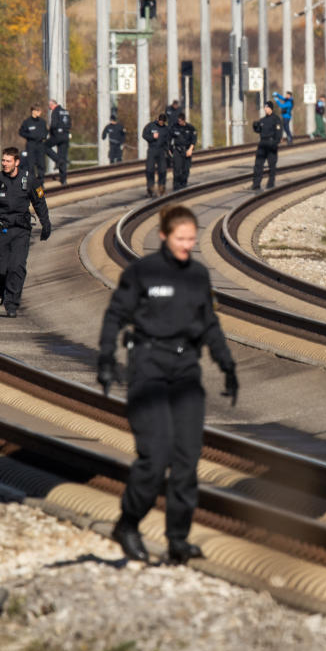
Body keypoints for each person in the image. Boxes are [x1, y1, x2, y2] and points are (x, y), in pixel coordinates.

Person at [97, 205, 240, 564]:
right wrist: (104, 357)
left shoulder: (197, 276)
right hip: (148, 368)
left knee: (187, 460)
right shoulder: (142, 273)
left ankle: (178, 539)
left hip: (186, 371)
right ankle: (128, 524)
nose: (187, 245)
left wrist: (227, 365)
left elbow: (209, 324)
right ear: (164, 236)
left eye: (192, 239)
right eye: (181, 238)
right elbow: (115, 314)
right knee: (156, 455)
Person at [0, 147, 51, 318]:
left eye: (8, 161)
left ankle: (12, 304)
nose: (5, 164)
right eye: (3, 160)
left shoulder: (29, 180)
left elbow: (39, 202)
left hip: (21, 230)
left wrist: (46, 224)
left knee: (16, 267)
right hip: (1, 230)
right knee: (0, 269)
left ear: (17, 162)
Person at [251, 101, 283, 191]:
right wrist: (255, 126)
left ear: (271, 108)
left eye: (267, 107)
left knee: (272, 164)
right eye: (265, 107)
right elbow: (258, 131)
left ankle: (270, 183)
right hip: (262, 144)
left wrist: (275, 142)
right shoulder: (263, 120)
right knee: (258, 164)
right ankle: (256, 184)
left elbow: (279, 132)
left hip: (271, 143)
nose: (265, 109)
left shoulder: (276, 119)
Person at [142, 112, 170, 198]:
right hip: (152, 150)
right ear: (158, 119)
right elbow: (144, 135)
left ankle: (162, 188)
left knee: (162, 170)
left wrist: (168, 151)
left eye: (163, 122)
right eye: (160, 121)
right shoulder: (150, 126)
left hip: (161, 151)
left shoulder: (166, 128)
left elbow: (167, 141)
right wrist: (152, 137)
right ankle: (150, 189)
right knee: (149, 170)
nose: (161, 123)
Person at [18, 104, 50, 181]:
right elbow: (21, 132)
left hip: (40, 145)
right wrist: (30, 136)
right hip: (31, 145)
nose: (40, 112)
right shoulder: (27, 122)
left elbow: (46, 132)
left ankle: (41, 182)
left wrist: (43, 136)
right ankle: (32, 182)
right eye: (38, 111)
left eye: (40, 111)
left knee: (41, 164)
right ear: (33, 111)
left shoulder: (42, 122)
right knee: (30, 165)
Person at [46, 98, 72, 185]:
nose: (49, 107)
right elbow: (69, 124)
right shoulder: (66, 111)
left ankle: (57, 160)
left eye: (49, 105)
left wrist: (50, 133)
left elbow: (53, 125)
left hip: (57, 135)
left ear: (52, 104)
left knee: (44, 146)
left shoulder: (55, 111)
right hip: (66, 135)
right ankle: (63, 180)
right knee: (63, 156)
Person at [170, 112, 197, 191]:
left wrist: (190, 149)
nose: (179, 122)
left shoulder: (190, 128)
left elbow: (194, 140)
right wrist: (170, 150)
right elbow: (169, 138)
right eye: (178, 121)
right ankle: (176, 187)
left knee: (186, 169)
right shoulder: (174, 127)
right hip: (177, 150)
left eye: (181, 121)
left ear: (184, 120)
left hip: (187, 150)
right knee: (177, 169)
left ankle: (183, 185)